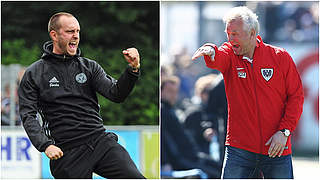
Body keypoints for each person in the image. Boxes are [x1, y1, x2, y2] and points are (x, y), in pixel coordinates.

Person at [18, 12, 145, 179]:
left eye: (78, 31)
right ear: (54, 35)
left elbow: (116, 94)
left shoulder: (89, 67)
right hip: (66, 152)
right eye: (70, 31)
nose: (76, 36)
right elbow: (28, 115)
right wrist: (45, 145)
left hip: (100, 141)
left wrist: (133, 70)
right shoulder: (35, 73)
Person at [192, 6, 304, 179]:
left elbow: (296, 97)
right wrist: (211, 50)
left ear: (252, 33)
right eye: (228, 33)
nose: (230, 38)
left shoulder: (280, 57)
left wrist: (284, 132)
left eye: (235, 34)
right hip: (239, 149)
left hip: (277, 147)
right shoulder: (229, 54)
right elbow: (218, 57)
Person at [160, 76, 221, 178]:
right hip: (181, 159)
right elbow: (162, 139)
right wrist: (165, 162)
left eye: (175, 92)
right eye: (170, 91)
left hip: (193, 155)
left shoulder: (171, 109)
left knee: (221, 167)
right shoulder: (163, 111)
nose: (173, 95)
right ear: (160, 92)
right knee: (214, 174)